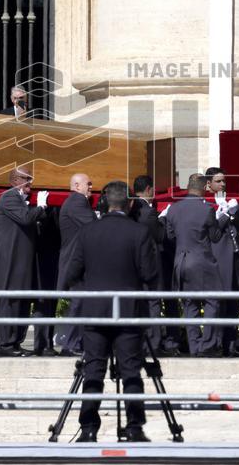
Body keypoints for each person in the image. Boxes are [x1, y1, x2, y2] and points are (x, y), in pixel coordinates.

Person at [61, 180, 158, 444]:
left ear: (104, 203)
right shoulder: (139, 232)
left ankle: (89, 427)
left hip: (96, 309)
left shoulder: (88, 232)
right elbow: (150, 273)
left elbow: (71, 273)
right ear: (128, 204)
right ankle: (135, 426)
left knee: (93, 368)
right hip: (128, 309)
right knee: (130, 370)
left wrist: (89, 291)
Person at [0, 167, 49, 356]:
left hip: (21, 261)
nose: (30, 183)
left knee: (21, 302)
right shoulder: (9, 197)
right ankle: (6, 344)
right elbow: (25, 218)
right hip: (10, 261)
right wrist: (41, 206)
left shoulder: (19, 199)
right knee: (11, 302)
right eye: (26, 179)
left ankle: (15, 342)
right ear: (14, 180)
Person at [163, 173, 224, 357]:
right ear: (205, 186)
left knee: (190, 304)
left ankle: (195, 346)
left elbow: (170, 236)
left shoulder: (173, 209)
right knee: (212, 301)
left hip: (180, 262)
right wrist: (223, 217)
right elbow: (215, 236)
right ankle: (208, 345)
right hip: (202, 261)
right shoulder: (206, 210)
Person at [130, 175, 180, 356]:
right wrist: (164, 219)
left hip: (134, 264)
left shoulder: (132, 208)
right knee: (153, 303)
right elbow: (159, 236)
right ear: (150, 189)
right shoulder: (148, 212)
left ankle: (144, 341)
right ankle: (154, 343)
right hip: (151, 264)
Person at [205, 167, 239, 357]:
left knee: (234, 301)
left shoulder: (231, 201)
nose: (223, 184)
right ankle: (216, 344)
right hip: (217, 260)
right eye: (218, 181)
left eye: (224, 181)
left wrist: (235, 212)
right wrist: (224, 214)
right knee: (218, 303)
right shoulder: (206, 204)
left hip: (236, 258)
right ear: (209, 185)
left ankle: (230, 345)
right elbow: (213, 235)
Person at [56, 172, 97, 356]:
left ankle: (76, 343)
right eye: (88, 184)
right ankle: (71, 345)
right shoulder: (77, 202)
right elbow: (94, 226)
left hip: (78, 261)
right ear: (77, 186)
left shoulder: (76, 202)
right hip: (76, 263)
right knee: (79, 303)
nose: (91, 186)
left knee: (83, 302)